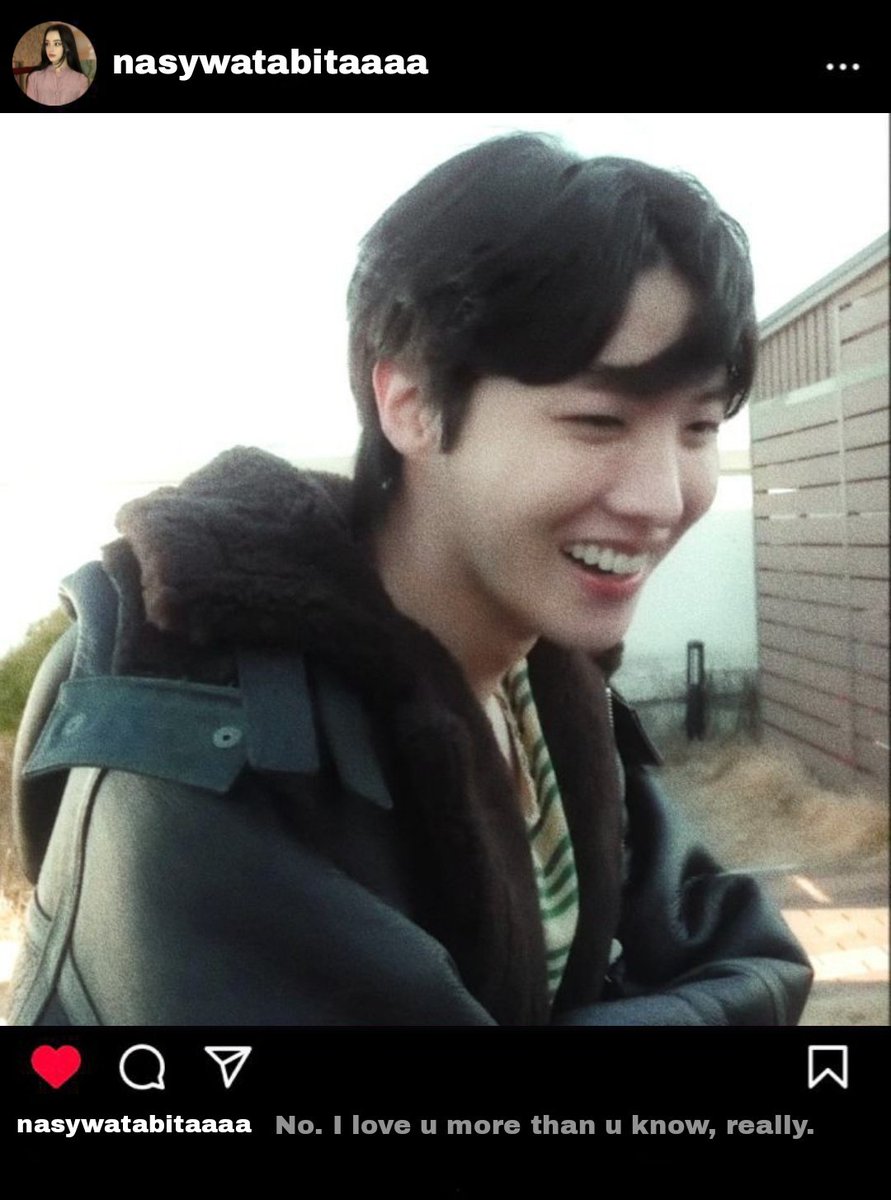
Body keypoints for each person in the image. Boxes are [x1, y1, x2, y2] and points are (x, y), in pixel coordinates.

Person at [10, 133, 812, 1026]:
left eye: (699, 429)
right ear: (412, 403)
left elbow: (750, 955)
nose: (662, 499)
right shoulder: (206, 733)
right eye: (597, 421)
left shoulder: (551, 692)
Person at [25, 24, 90, 107]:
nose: (50, 49)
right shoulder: (34, 78)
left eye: (56, 44)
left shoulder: (81, 80)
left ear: (68, 47)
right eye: (47, 44)